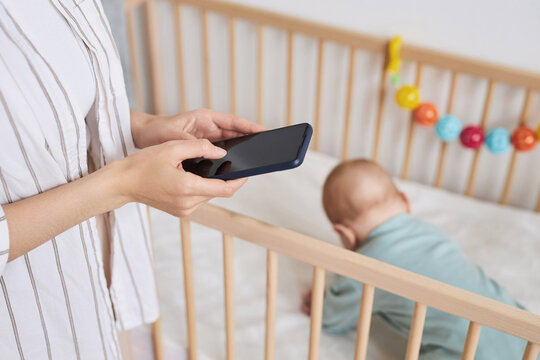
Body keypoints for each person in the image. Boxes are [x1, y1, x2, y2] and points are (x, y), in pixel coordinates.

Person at [0, 0, 263, 358]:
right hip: (25, 316)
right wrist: (122, 183)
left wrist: (143, 125)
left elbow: (59, 99)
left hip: (94, 272)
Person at [301, 159, 527, 359]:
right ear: (405, 201)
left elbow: (331, 319)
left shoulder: (365, 268)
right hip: (526, 337)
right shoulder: (432, 232)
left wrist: (323, 299)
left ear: (344, 233)